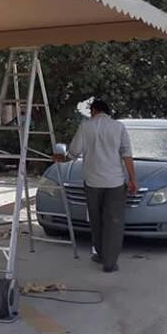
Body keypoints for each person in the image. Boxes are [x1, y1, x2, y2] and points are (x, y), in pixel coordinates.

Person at [66, 98, 138, 273]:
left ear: (94, 110)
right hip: (115, 182)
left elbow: (74, 151)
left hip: (92, 182)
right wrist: (132, 180)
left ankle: (100, 254)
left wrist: (64, 156)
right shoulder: (119, 127)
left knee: (96, 219)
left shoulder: (85, 126)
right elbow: (127, 155)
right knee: (113, 221)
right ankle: (110, 262)